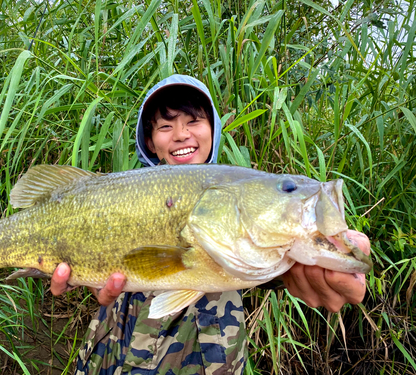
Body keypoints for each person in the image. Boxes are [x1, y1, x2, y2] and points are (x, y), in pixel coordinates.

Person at [51, 75, 370, 374]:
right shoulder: (119, 194)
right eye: (165, 125)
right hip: (111, 355)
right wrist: (88, 279)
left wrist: (314, 266)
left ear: (213, 129)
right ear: (149, 141)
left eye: (194, 121)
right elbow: (108, 276)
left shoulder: (241, 195)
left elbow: (262, 258)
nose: (181, 134)